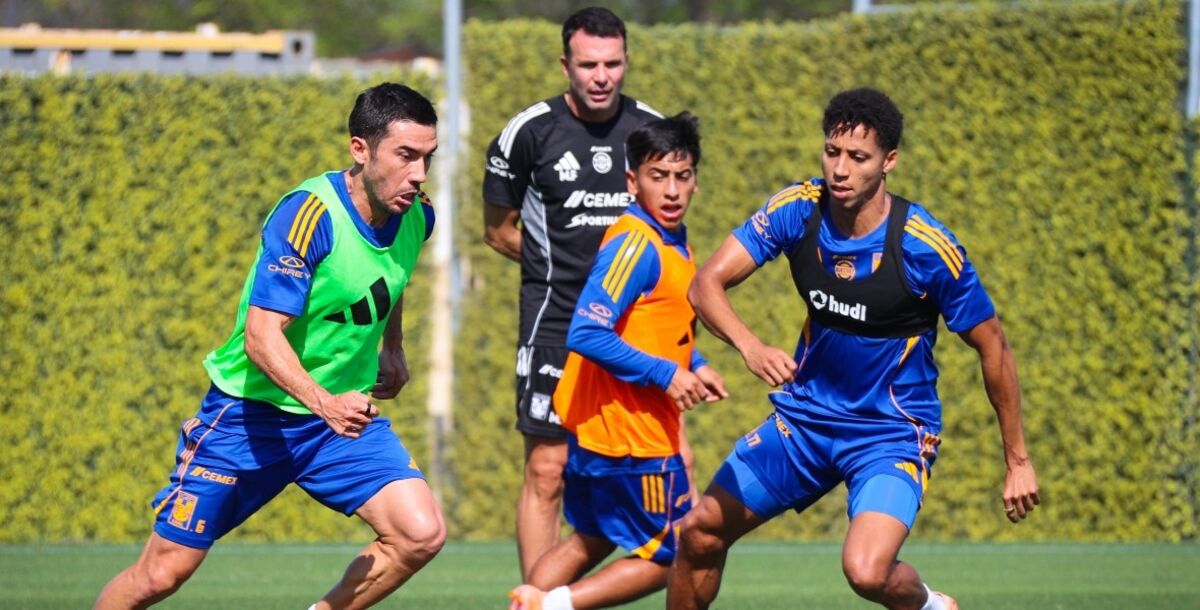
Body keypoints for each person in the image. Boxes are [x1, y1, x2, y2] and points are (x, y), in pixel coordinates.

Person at [668, 88, 1040, 610]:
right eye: (832, 152)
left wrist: (1018, 460)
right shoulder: (798, 209)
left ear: (889, 161)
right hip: (805, 423)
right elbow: (705, 283)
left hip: (889, 434)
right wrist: (750, 346)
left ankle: (932, 606)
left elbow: (993, 347)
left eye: (858, 157)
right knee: (699, 532)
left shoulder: (923, 246)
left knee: (866, 572)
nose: (840, 169)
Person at [94, 83, 445, 610]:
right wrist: (325, 404)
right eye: (405, 155)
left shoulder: (418, 214)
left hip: (335, 426)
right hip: (249, 417)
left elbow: (392, 276)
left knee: (420, 534)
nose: (419, 174)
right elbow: (261, 337)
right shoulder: (309, 216)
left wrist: (392, 347)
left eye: (427, 158)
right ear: (360, 149)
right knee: (161, 575)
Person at [482, 6, 695, 579]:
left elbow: (672, 233)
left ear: (626, 62)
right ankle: (537, 598)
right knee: (548, 470)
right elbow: (499, 231)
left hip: (633, 328)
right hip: (555, 322)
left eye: (613, 64)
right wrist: (561, 274)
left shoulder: (650, 130)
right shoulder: (528, 132)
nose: (601, 76)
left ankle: (585, 588)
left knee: (672, 454)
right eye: (588, 65)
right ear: (565, 65)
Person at [509, 112, 727, 610]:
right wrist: (666, 373)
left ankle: (529, 604)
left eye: (682, 176)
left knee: (591, 538)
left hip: (602, 432)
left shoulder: (671, 240)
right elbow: (587, 331)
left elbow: (651, 323)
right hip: (631, 435)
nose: (671, 190)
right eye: (658, 176)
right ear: (632, 181)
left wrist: (695, 362)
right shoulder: (636, 243)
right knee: (678, 553)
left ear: (695, 180)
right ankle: (553, 605)